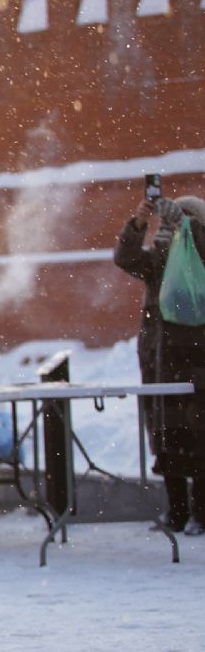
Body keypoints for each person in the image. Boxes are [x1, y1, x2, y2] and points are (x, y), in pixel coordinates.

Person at [114, 195, 205, 533]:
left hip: (195, 362)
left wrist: (186, 225)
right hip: (159, 362)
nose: (172, 228)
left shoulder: (199, 254)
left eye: (183, 220)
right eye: (168, 222)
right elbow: (126, 258)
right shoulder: (160, 259)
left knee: (199, 438)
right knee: (166, 439)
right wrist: (138, 224)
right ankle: (177, 512)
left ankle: (202, 514)